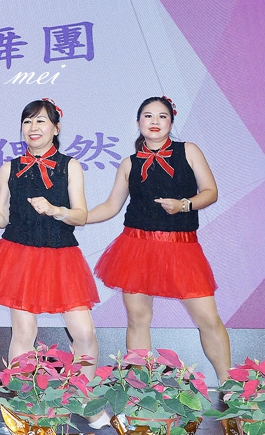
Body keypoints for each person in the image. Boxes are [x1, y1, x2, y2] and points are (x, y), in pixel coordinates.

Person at [0, 99, 108, 428]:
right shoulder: (9, 168)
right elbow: (2, 218)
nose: (33, 128)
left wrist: (55, 210)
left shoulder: (70, 166)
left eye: (40, 121)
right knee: (24, 331)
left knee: (84, 332)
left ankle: (82, 397)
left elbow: (81, 215)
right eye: (27, 122)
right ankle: (26, 408)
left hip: (61, 254)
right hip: (18, 254)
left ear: (56, 127)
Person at [88, 96, 230, 381]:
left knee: (208, 318)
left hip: (181, 247)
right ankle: (141, 387)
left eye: (162, 116)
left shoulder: (188, 150)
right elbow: (111, 206)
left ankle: (231, 386)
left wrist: (184, 205)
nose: (155, 121)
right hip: (136, 246)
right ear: (138, 122)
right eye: (148, 116)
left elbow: (210, 192)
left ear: (171, 122)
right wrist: (72, 216)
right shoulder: (129, 163)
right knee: (138, 318)